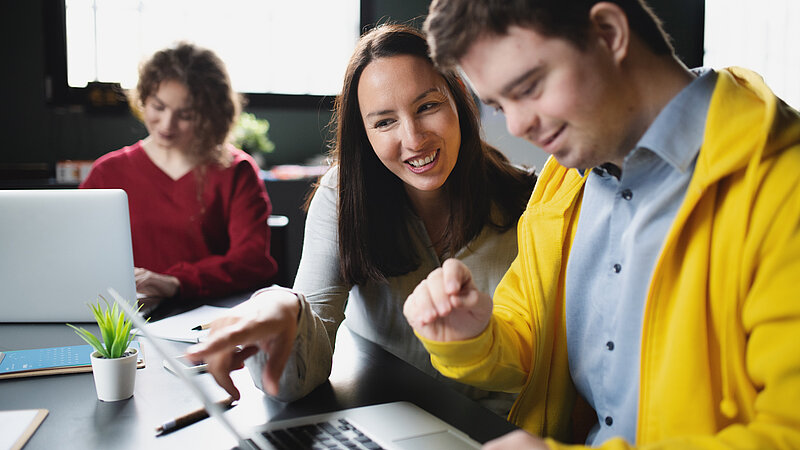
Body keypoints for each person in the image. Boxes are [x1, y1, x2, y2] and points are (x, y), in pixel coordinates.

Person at [403, 0, 800, 448]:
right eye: (498, 104)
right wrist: (471, 333)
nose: (517, 126)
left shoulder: (785, 186)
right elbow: (535, 336)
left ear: (610, 33)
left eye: (529, 87)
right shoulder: (564, 179)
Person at [185, 24, 537, 417]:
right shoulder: (343, 196)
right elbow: (295, 378)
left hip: (508, 431)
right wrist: (283, 307)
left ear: (458, 99)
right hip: (394, 421)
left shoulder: (530, 199)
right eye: (384, 122)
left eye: (427, 106)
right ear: (364, 134)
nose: (414, 138)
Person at [81, 42, 278, 309]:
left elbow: (251, 261)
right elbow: (78, 253)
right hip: (123, 318)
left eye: (185, 115)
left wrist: (174, 282)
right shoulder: (107, 172)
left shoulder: (236, 170)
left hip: (209, 319)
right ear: (144, 99)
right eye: (158, 107)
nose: (167, 125)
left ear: (210, 116)